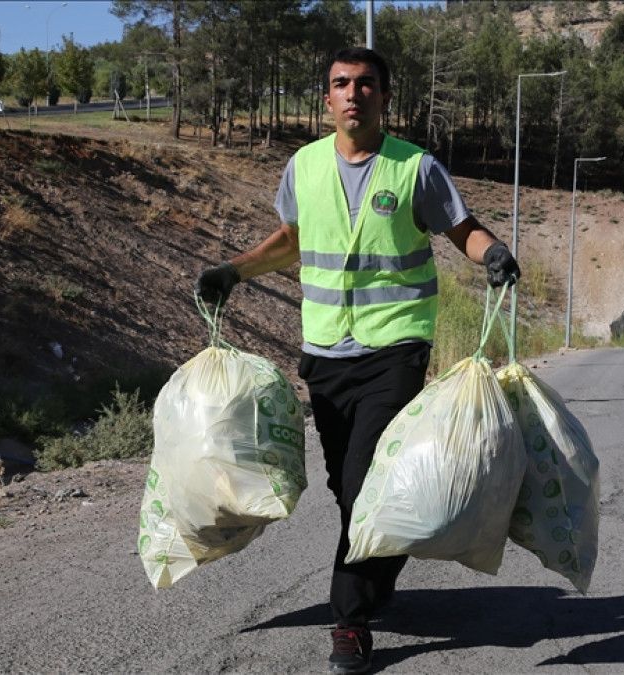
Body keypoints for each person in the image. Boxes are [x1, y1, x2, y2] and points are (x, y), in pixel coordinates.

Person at [194, 47, 520, 675]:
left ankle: (350, 619)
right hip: (323, 351)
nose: (353, 94)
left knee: (368, 477)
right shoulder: (304, 167)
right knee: (350, 487)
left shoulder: (414, 169)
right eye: (341, 84)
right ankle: (377, 570)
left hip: (394, 348)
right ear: (327, 100)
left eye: (366, 84)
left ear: (384, 98)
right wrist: (232, 271)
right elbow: (290, 241)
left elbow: (462, 228)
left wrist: (493, 253)